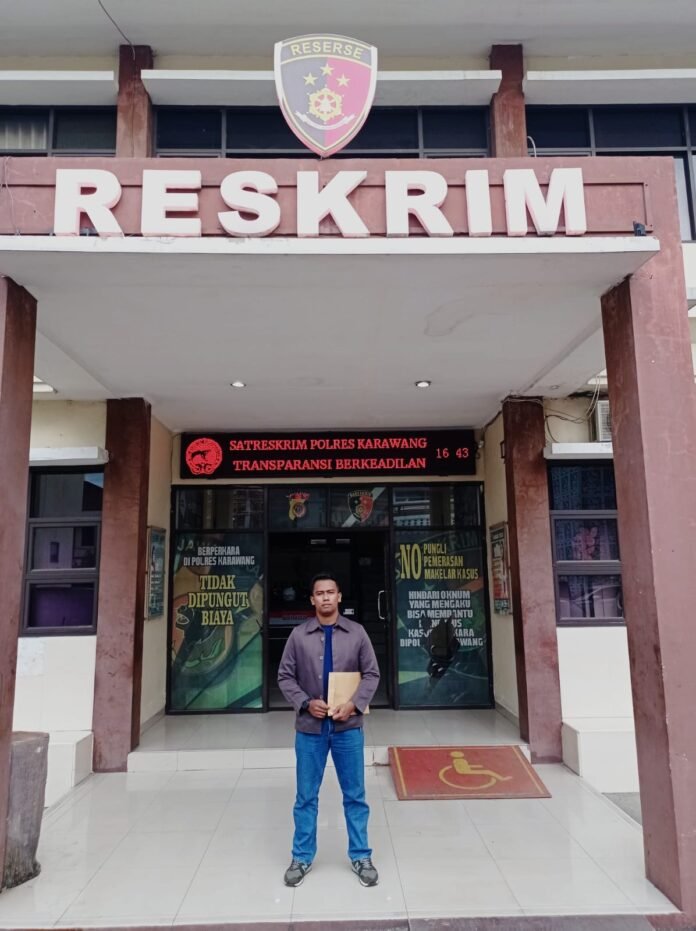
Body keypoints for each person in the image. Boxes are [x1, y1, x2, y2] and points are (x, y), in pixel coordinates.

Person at [277, 571, 380, 888]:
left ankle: (361, 855)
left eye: (330, 592)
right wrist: (305, 703)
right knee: (306, 796)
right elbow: (284, 677)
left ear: (339, 597)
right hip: (310, 729)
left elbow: (372, 674)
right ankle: (301, 857)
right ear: (312, 599)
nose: (325, 597)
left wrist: (354, 704)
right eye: (319, 593)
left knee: (355, 796)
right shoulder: (298, 636)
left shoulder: (357, 633)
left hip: (348, 727)